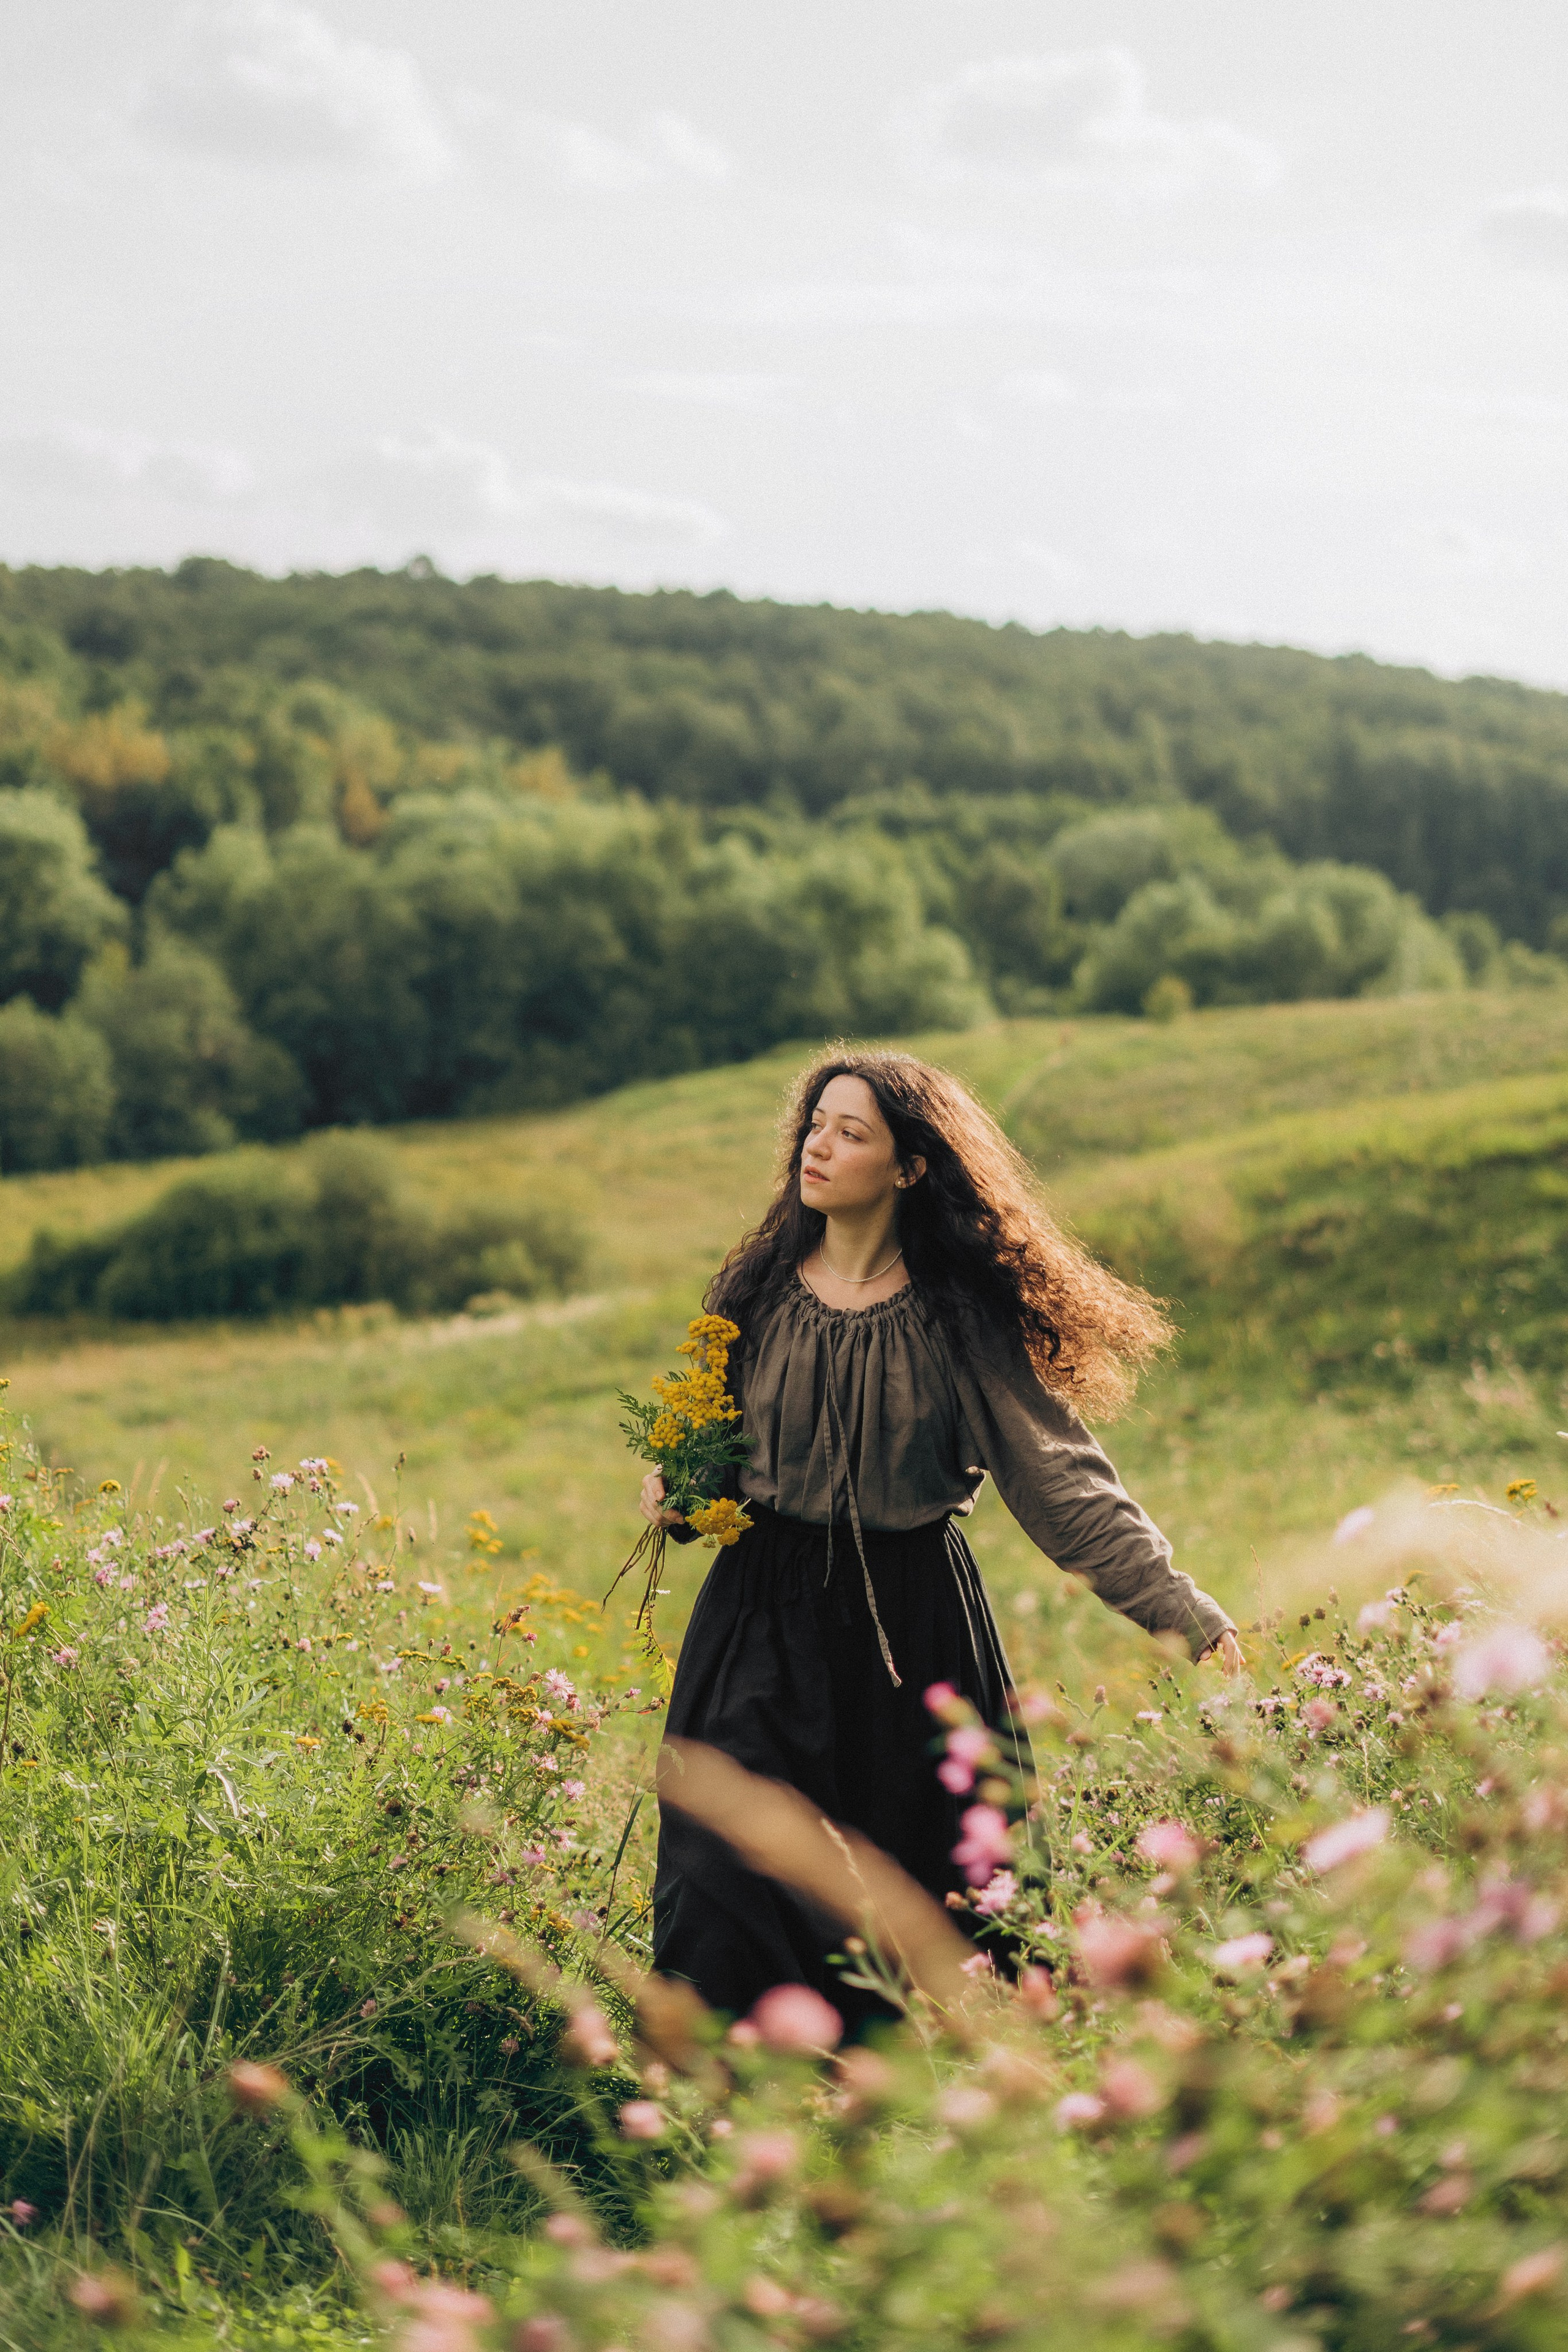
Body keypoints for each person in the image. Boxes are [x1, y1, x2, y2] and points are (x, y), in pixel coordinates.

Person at [641, 1049, 1241, 2030]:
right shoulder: (753, 1292)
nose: (818, 1146)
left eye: (851, 1131)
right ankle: (714, 2108)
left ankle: (913, 2126)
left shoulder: (960, 1322)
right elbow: (705, 1445)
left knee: (929, 1902)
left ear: (911, 1166)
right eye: (815, 1125)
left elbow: (1065, 1485)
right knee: (721, 1877)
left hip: (908, 1630)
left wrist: (1186, 1616)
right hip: (758, 1619)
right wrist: (676, 1487)